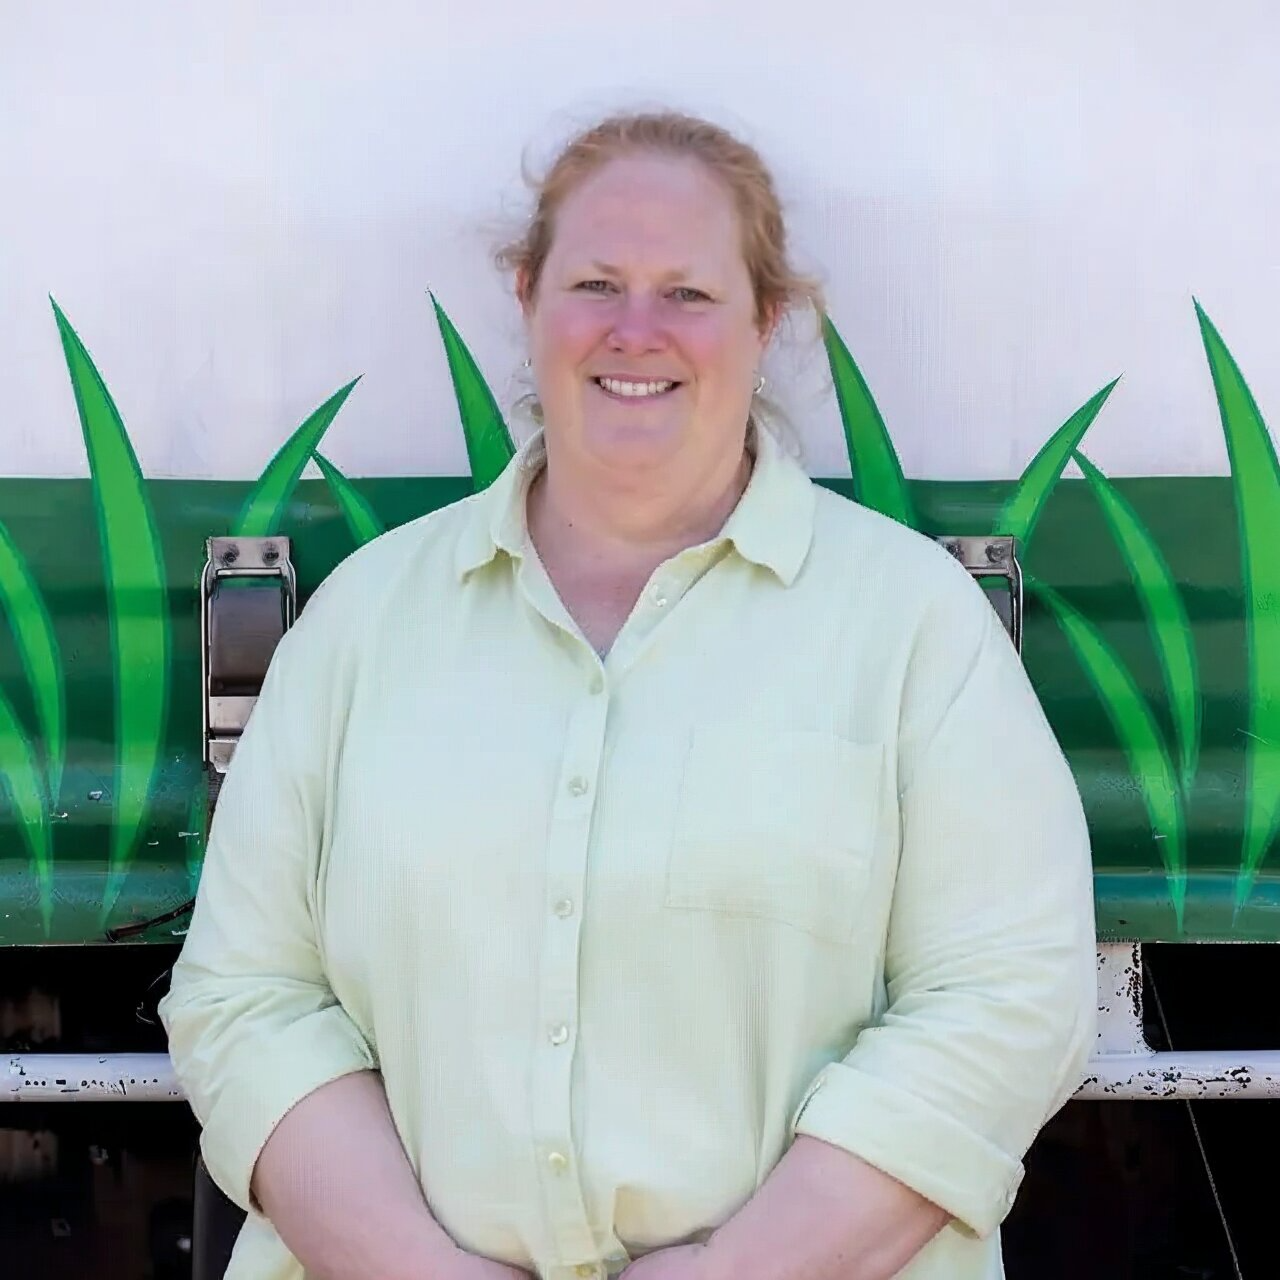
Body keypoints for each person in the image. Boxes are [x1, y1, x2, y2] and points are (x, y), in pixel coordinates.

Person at [159, 110, 1097, 1280]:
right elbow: (246, 994)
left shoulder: (912, 626)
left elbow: (1006, 1000)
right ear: (526, 296)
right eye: (595, 281)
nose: (634, 330)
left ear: (766, 318)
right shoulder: (363, 618)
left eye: (688, 294)